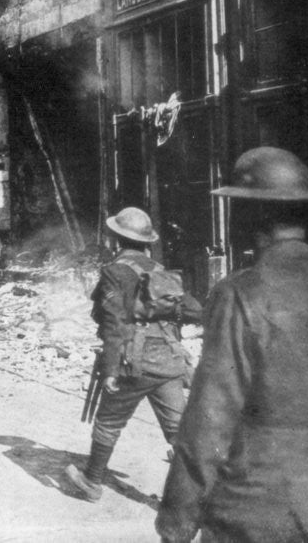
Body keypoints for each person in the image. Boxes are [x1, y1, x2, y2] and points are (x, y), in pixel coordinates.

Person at [156, 147, 308, 542]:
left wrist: (175, 523)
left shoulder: (240, 295)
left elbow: (209, 423)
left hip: (255, 513)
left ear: (253, 216)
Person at [65, 206, 202, 501]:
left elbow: (112, 322)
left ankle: (92, 482)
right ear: (146, 241)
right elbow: (194, 310)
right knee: (178, 429)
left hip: (134, 361)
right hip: (169, 359)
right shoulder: (161, 272)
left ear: (117, 239)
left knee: (109, 421)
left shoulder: (115, 271)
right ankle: (197, 497)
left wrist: (111, 370)